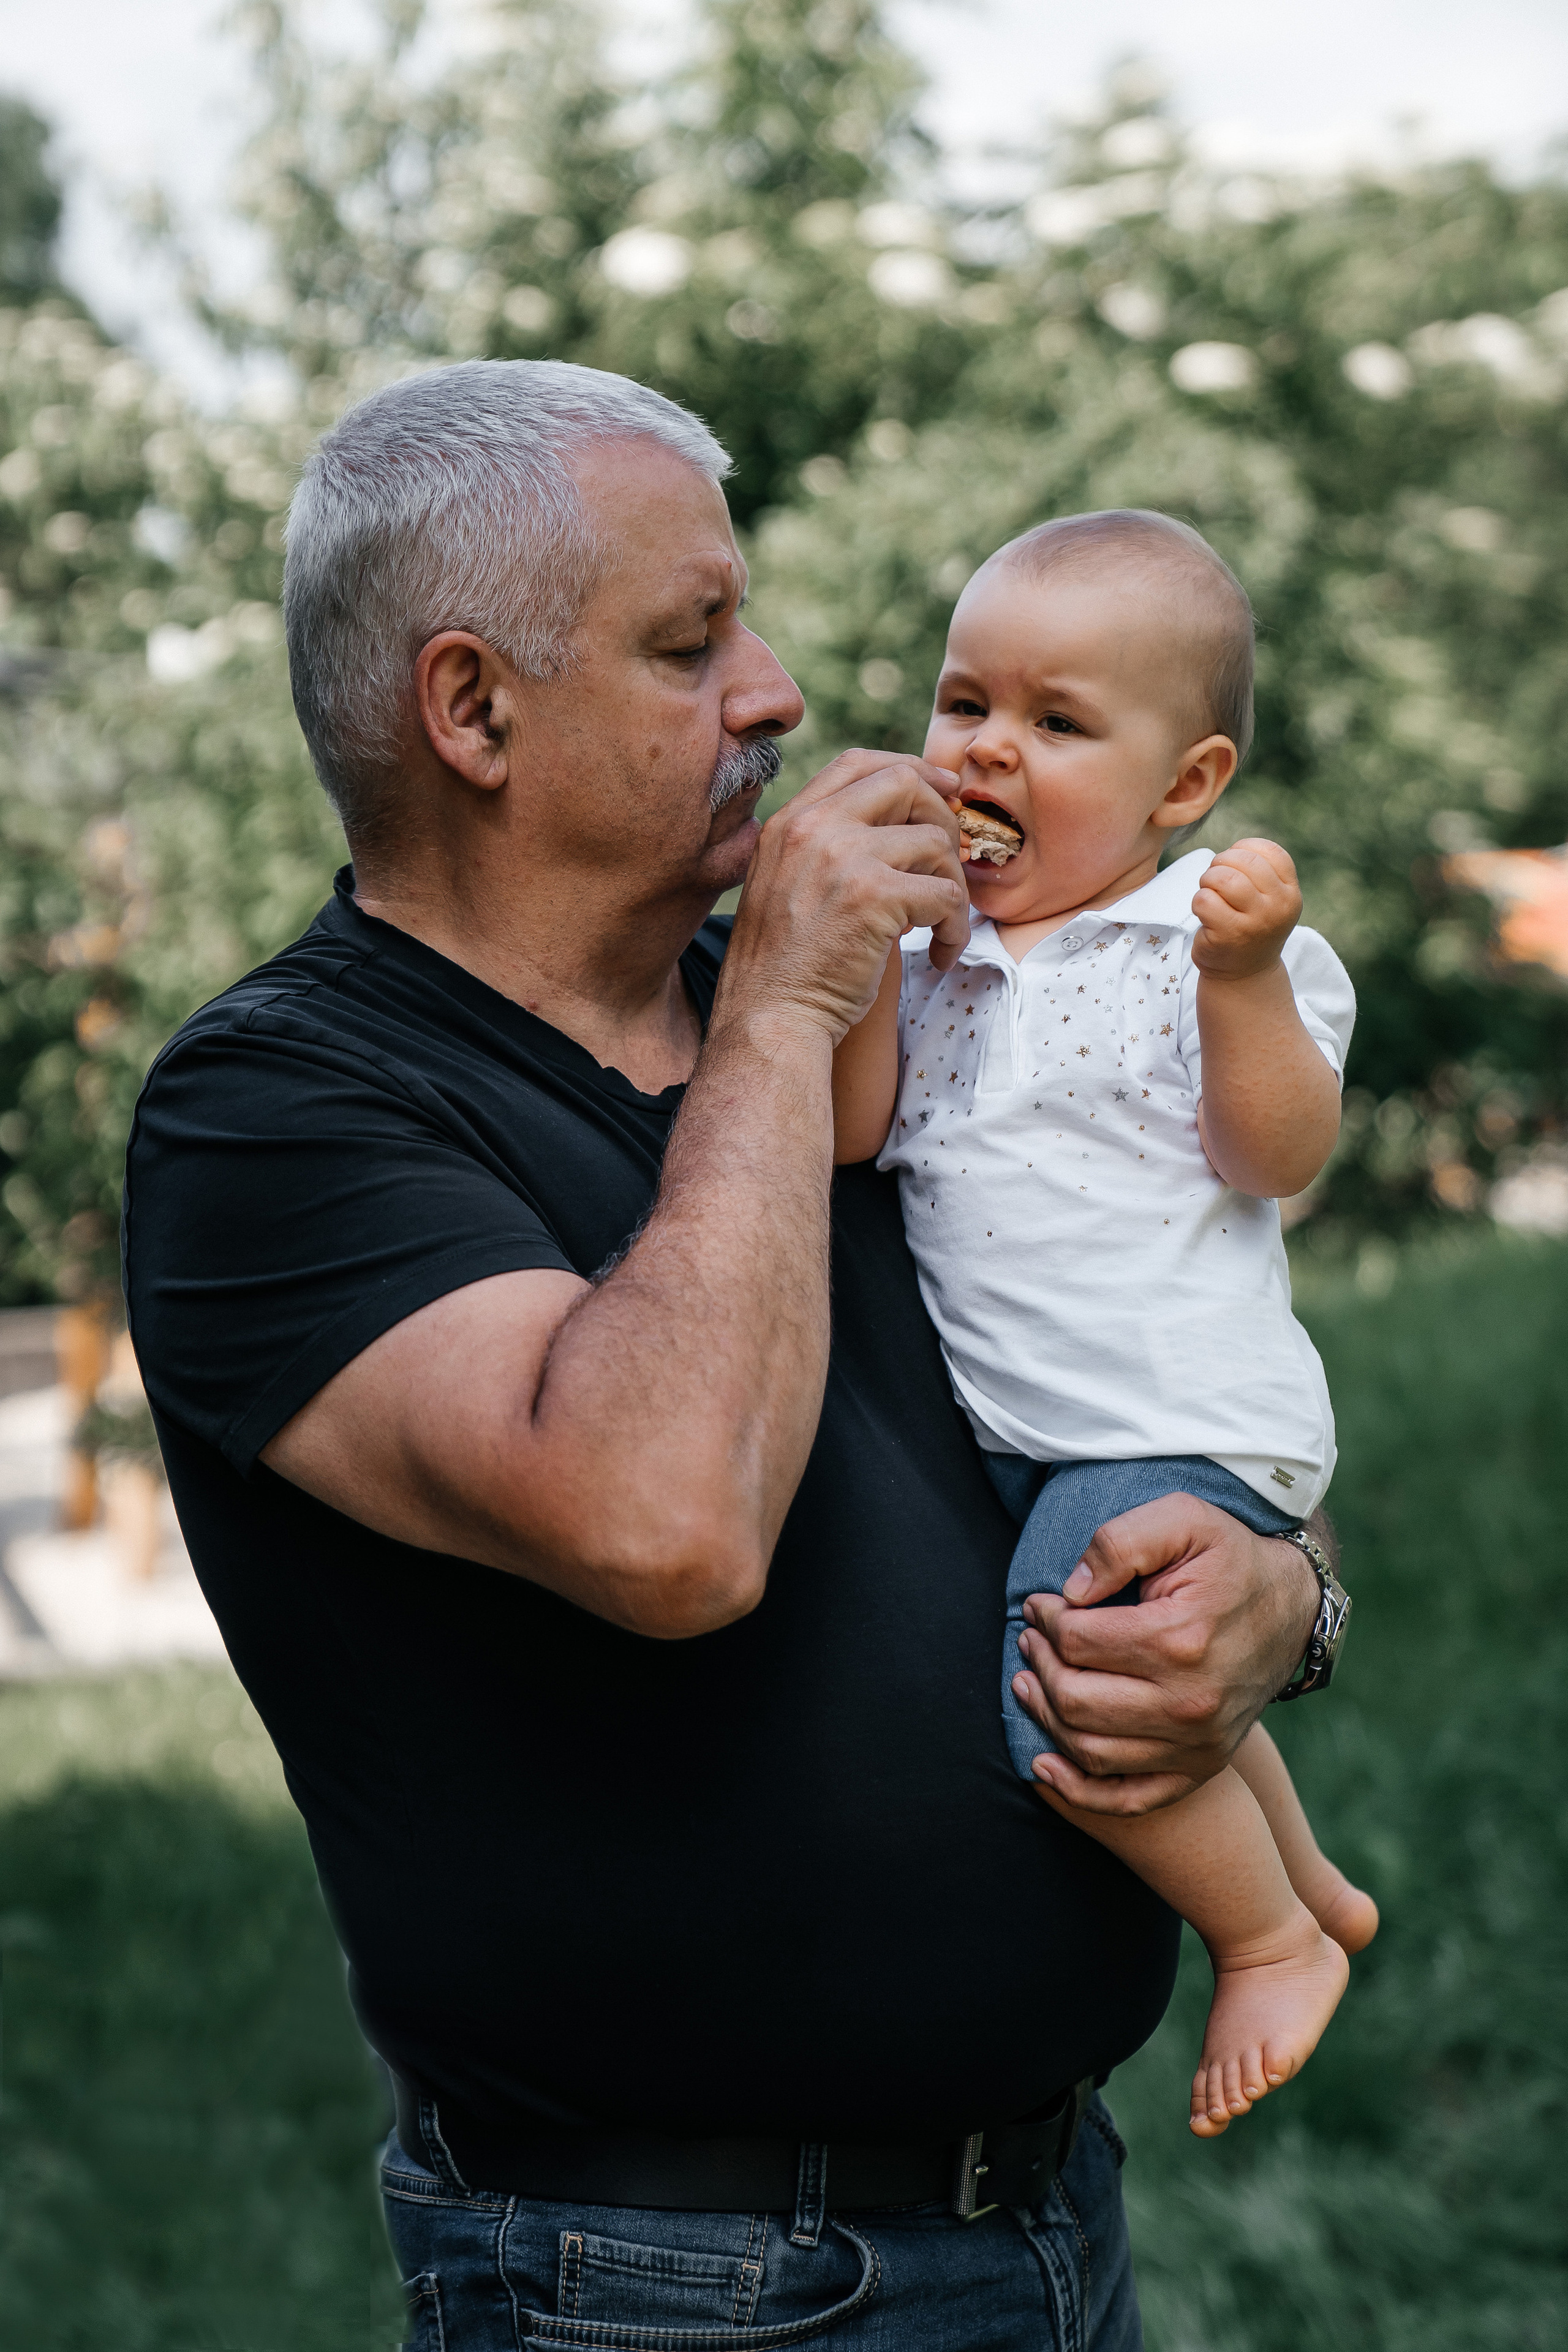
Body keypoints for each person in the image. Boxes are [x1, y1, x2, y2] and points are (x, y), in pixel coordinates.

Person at [123, 365, 1333, 2351]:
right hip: (677, 2284)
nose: (775, 689)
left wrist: (1283, 1594)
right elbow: (667, 1526)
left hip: (1045, 2215)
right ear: (472, 709)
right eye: (695, 642)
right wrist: (780, 1010)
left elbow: (1110, 1358)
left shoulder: (849, 1013)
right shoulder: (283, 1111)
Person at [831, 510, 1379, 2140]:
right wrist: (858, 948)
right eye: (963, 704)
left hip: (1171, 1418)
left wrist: (1246, 982)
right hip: (1033, 1431)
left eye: (1058, 724)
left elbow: (1272, 1156)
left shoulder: (1201, 942)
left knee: (1061, 1692)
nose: (988, 748)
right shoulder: (934, 963)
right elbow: (853, 1130)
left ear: (1185, 787)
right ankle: (1320, 1887)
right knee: (1159, 1683)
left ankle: (1264, 1939)